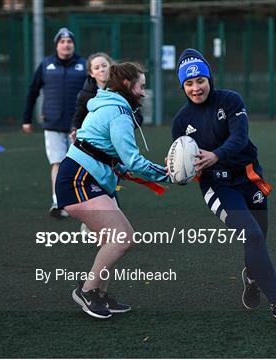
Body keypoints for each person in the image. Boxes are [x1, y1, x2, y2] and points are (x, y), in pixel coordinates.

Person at [171, 48, 276, 326]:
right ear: (182, 86)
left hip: (248, 177)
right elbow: (182, 165)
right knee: (251, 234)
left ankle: (252, 277)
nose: (196, 88)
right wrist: (178, 171)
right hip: (217, 186)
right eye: (189, 83)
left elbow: (240, 138)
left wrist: (215, 154)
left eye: (200, 80)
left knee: (259, 237)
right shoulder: (181, 121)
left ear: (209, 79)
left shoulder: (230, 100)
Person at [55, 62, 170, 319]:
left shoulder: (111, 105)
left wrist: (116, 167)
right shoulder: (118, 112)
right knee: (123, 238)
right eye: (141, 86)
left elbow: (101, 147)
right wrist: (169, 174)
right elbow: (133, 159)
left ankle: (99, 295)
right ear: (128, 85)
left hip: (82, 175)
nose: (143, 92)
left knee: (113, 239)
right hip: (78, 179)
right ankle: (87, 290)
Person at [22, 27, 87, 218]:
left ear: (73, 45)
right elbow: (32, 91)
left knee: (78, 164)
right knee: (57, 163)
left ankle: (81, 202)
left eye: (69, 41)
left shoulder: (84, 65)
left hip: (79, 127)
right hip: (53, 124)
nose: (66, 45)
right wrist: (26, 118)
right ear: (56, 45)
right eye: (62, 41)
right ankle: (58, 202)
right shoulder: (45, 65)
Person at [71, 52, 144, 142]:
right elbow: (78, 117)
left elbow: (138, 116)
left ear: (111, 67)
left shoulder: (124, 89)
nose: (101, 69)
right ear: (91, 73)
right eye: (96, 68)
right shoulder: (85, 95)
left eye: (104, 65)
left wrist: (122, 124)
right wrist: (75, 129)